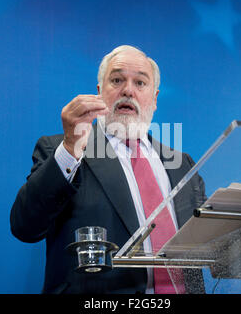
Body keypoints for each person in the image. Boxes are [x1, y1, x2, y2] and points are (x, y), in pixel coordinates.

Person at [10, 45, 207, 294]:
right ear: (99, 92)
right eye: (116, 80)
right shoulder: (62, 149)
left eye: (140, 83)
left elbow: (212, 242)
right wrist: (71, 146)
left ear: (155, 98)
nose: (128, 90)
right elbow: (25, 226)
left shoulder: (182, 163)